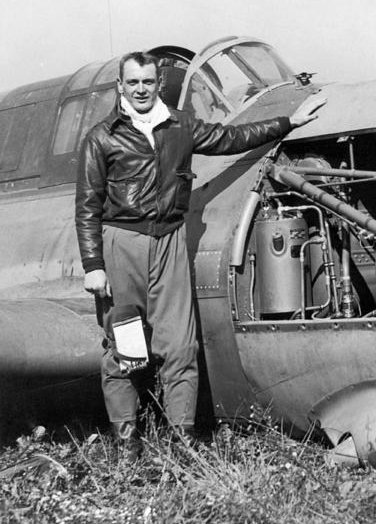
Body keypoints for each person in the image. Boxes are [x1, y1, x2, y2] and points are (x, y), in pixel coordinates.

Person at [75, 51, 325, 455]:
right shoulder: (102, 136)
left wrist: (287, 122)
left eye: (148, 82)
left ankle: (182, 436)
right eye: (133, 82)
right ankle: (126, 439)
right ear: (121, 86)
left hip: (171, 240)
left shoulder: (180, 125)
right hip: (122, 241)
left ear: (159, 85)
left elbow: (231, 138)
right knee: (123, 345)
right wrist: (93, 265)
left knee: (180, 344)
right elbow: (87, 205)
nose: (141, 89)